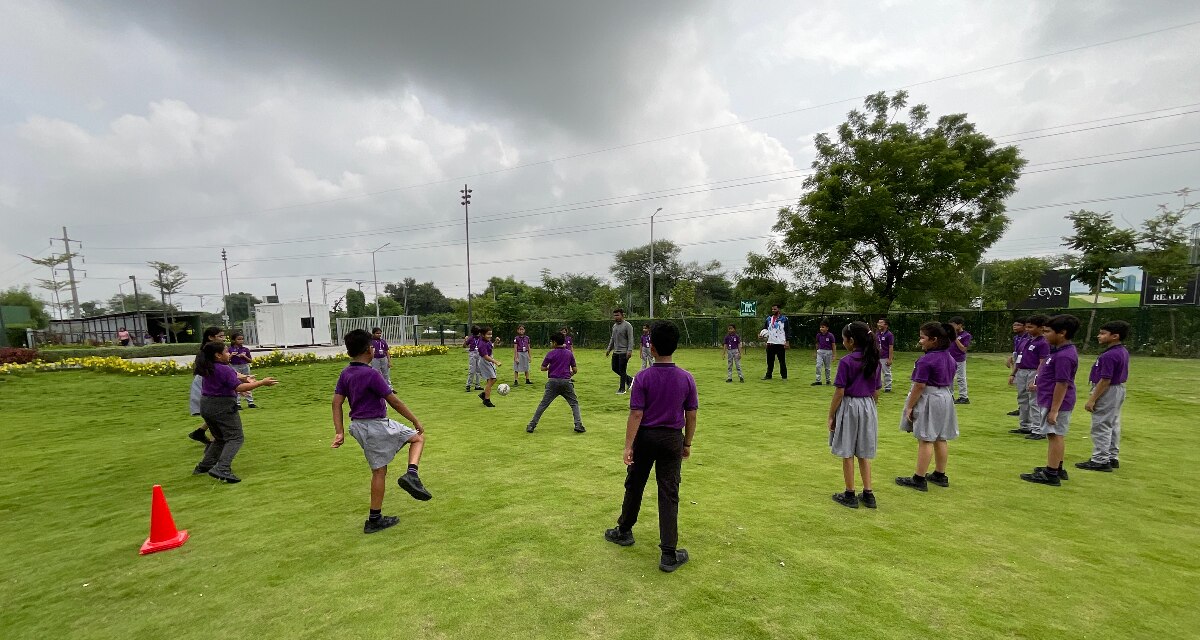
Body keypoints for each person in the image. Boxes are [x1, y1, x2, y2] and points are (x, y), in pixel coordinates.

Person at [604, 321, 697, 573]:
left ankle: (624, 531)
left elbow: (636, 414)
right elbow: (691, 414)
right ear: (675, 347)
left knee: (635, 484)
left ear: (651, 347)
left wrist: (627, 446)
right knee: (669, 491)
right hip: (671, 439)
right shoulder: (686, 378)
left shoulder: (643, 377)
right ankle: (668, 553)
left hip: (645, 437)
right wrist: (687, 443)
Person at [331, 329, 432, 533]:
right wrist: (414, 420)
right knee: (418, 438)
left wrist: (339, 432)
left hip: (358, 427)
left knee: (379, 471)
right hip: (375, 425)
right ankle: (412, 475)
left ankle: (375, 519)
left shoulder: (346, 373)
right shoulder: (371, 374)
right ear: (369, 350)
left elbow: (336, 403)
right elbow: (393, 401)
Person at [192, 341, 278, 483]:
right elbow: (239, 388)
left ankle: (204, 466)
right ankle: (222, 468)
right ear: (218, 355)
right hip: (222, 407)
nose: (229, 354)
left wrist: (243, 382)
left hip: (206, 405)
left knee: (220, 438)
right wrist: (262, 382)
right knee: (235, 437)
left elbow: (227, 384)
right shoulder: (224, 368)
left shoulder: (208, 367)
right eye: (226, 352)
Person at [896, 322, 959, 492]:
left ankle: (919, 478)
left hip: (931, 398)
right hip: (946, 396)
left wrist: (909, 406)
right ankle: (940, 474)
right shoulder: (950, 357)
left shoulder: (926, 360)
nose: (920, 341)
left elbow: (919, 386)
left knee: (926, 438)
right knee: (940, 437)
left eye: (923, 338)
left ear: (934, 339)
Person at [1021, 314, 1082, 486]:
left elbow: (1062, 383)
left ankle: (1051, 473)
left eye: (1048, 331)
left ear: (1062, 333)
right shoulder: (1058, 351)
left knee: (1054, 434)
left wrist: (1054, 410)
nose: (1044, 334)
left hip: (1057, 402)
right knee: (1054, 434)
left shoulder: (1064, 356)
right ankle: (1056, 467)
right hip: (1050, 399)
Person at [828, 321, 882, 509]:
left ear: (851, 341)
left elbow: (839, 392)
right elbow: (876, 391)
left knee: (848, 450)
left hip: (850, 406)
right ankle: (868, 493)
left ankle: (850, 493)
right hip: (868, 406)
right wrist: (871, 409)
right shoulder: (874, 360)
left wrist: (831, 415)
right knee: (863, 451)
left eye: (844, 339)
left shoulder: (847, 361)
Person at [1076, 320, 1131, 472]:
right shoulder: (1122, 351)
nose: (1098, 336)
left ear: (1115, 336)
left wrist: (1092, 399)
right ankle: (1112, 456)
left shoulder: (1110, 355)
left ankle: (1100, 459)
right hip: (1117, 389)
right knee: (1113, 423)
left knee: (1101, 424)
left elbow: (1105, 379)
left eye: (1102, 333)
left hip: (1108, 390)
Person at [526, 333, 585, 433]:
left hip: (552, 382)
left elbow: (542, 368)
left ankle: (532, 425)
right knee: (574, 404)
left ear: (555, 342)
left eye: (551, 342)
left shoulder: (550, 353)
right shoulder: (569, 353)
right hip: (566, 382)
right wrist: (570, 373)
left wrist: (551, 367)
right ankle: (578, 424)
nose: (550, 343)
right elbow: (575, 369)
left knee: (543, 404)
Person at [1009, 315, 1050, 437]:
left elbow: (1042, 362)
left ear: (1041, 328)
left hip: (1033, 371)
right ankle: (1025, 426)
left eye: (1030, 327)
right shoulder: (1026, 340)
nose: (1027, 329)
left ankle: (1038, 429)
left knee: (1034, 400)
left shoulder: (1043, 343)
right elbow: (1019, 358)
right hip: (1022, 371)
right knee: (1022, 399)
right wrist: (1013, 373)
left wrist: (1036, 379)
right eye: (1026, 327)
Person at [188, 326, 229, 445]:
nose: (223, 339)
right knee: (216, 413)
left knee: (217, 413)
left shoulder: (215, 350)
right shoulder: (207, 353)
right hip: (207, 384)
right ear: (210, 337)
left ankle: (200, 432)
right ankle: (214, 443)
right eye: (220, 336)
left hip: (211, 383)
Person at [606, 309, 636, 394]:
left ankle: (622, 389)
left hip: (624, 352)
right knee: (614, 368)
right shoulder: (614, 326)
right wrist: (609, 349)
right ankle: (630, 379)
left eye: (617, 315)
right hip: (616, 351)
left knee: (622, 370)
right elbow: (612, 339)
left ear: (622, 315)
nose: (616, 317)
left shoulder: (627, 326)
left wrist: (629, 351)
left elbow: (631, 339)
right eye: (615, 315)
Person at [228, 331, 258, 409]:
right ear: (234, 340)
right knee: (236, 383)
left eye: (242, 339)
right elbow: (226, 360)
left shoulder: (245, 349)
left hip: (244, 366)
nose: (241, 341)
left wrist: (244, 357)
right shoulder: (230, 349)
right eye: (239, 339)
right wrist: (231, 355)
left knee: (248, 381)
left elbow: (250, 360)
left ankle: (250, 402)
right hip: (234, 366)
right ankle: (237, 403)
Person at [1005, 318, 1028, 416]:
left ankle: (1025, 410)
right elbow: (1017, 351)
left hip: (1024, 363)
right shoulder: (1017, 338)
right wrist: (1011, 357)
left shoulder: (1028, 338)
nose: (1015, 327)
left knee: (1025, 388)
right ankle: (1021, 408)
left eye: (1018, 325)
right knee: (1020, 387)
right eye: (1014, 325)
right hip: (1018, 360)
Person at [761, 304, 790, 380]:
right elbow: (765, 329)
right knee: (770, 361)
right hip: (770, 343)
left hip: (780, 343)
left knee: (782, 361)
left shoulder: (784, 319)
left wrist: (787, 342)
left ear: (779, 310)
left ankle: (784, 376)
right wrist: (761, 335)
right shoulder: (768, 319)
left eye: (775, 309)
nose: (773, 311)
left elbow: (787, 331)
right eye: (772, 309)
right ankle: (768, 375)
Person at [948, 316, 971, 404]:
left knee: (961, 378)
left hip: (959, 359)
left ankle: (964, 397)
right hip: (949, 358)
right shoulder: (949, 335)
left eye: (953, 325)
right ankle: (950, 396)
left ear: (959, 325)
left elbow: (963, 349)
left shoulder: (966, 335)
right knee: (949, 377)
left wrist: (955, 338)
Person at [476, 326, 501, 407]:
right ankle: (486, 400)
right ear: (483, 335)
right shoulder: (481, 343)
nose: (490, 336)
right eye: (488, 334)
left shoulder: (487, 341)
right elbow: (485, 356)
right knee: (493, 379)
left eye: (491, 334)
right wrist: (495, 361)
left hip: (489, 360)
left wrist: (496, 342)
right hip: (485, 361)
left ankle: (485, 394)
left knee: (491, 380)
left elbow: (492, 346)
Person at [813, 321, 837, 386]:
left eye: (823, 327)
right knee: (818, 365)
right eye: (820, 327)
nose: (821, 328)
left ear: (827, 328)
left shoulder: (830, 335)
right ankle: (818, 380)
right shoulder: (818, 335)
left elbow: (833, 345)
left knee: (827, 367)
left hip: (828, 352)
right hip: (820, 351)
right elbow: (817, 344)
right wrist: (816, 352)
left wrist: (834, 355)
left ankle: (828, 380)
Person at [875, 318, 894, 393]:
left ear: (886, 325)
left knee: (886, 372)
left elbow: (890, 347)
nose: (878, 324)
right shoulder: (877, 333)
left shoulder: (889, 335)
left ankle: (888, 387)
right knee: (876, 372)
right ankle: (877, 386)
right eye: (878, 322)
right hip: (877, 356)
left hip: (885, 356)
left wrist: (890, 358)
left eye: (881, 323)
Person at [463, 326, 482, 392]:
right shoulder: (471, 338)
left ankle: (477, 385)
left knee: (479, 370)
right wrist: (465, 340)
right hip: (472, 353)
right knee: (472, 370)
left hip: (479, 353)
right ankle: (468, 385)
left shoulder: (481, 338)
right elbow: (464, 346)